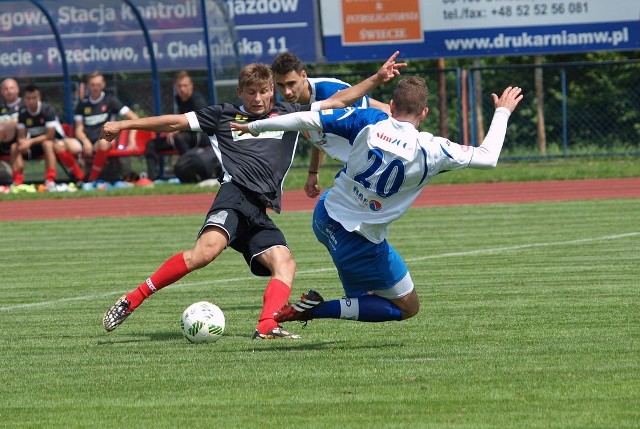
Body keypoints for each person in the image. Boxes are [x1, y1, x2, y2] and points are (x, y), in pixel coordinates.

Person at [100, 52, 405, 339]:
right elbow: (174, 122)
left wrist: (377, 79)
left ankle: (267, 325)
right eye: (251, 93)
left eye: (264, 91)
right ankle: (131, 299)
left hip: (259, 210)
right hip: (235, 196)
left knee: (284, 263)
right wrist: (124, 123)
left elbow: (339, 100)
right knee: (203, 254)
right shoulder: (222, 116)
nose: (258, 99)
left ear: (271, 90)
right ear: (240, 93)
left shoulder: (290, 114)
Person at [231, 77, 523, 326]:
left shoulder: (369, 121)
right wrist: (502, 112)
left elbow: (307, 118)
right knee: (408, 308)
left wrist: (256, 127)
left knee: (366, 297)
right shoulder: (432, 149)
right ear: (424, 113)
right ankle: (316, 309)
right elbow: (488, 157)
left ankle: (329, 301)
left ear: (392, 106)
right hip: (359, 241)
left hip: (323, 216)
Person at [271, 52, 389, 198]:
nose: (287, 92)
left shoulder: (329, 92)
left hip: (376, 160)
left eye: (291, 84)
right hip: (355, 165)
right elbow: (319, 133)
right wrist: (313, 172)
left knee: (330, 208)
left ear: (303, 75)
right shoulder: (292, 105)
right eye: (281, 85)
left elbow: (375, 114)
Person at [11, 84, 85, 188]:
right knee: (14, 147)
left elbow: (50, 135)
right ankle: (17, 182)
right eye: (28, 98)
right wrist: (22, 142)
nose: (31, 101)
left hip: (57, 142)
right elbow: (21, 134)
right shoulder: (23, 113)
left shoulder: (47, 110)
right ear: (24, 99)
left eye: (34, 98)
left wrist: (30, 142)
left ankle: (51, 180)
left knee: (48, 144)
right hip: (35, 145)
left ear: (39, 97)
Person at [73, 71, 139, 183]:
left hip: (104, 139)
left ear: (103, 85)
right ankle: (78, 178)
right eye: (93, 85)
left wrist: (131, 138)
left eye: (98, 85)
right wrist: (85, 141)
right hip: (86, 142)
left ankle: (91, 180)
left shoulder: (110, 100)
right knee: (61, 145)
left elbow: (134, 118)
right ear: (88, 86)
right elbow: (78, 130)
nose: (95, 88)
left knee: (103, 143)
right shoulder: (82, 104)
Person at [145, 70, 209, 180]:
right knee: (151, 144)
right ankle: (151, 180)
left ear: (191, 86)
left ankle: (190, 173)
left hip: (200, 136)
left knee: (180, 138)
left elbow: (202, 123)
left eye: (185, 86)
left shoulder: (197, 100)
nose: (182, 89)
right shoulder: (178, 99)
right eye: (179, 86)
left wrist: (178, 129)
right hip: (182, 135)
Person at [0, 78, 23, 165]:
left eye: (11, 88)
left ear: (17, 89)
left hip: (21, 141)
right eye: (6, 89)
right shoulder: (1, 108)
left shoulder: (25, 104)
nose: (9, 91)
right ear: (1, 91)